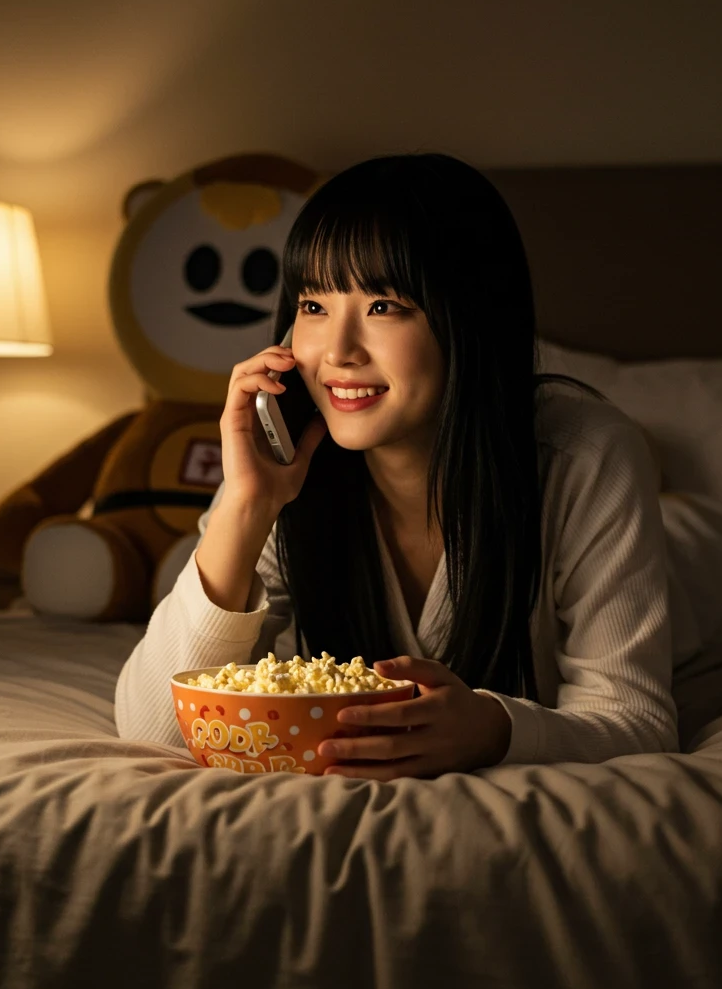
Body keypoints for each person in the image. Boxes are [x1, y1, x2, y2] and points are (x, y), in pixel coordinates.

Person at [115, 152, 677, 778]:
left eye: (383, 306)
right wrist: (248, 507)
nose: (338, 352)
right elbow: (151, 727)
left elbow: (639, 719)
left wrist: (493, 728)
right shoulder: (289, 460)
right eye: (313, 306)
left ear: (469, 320)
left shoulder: (586, 456)